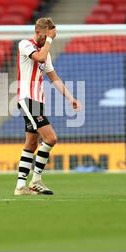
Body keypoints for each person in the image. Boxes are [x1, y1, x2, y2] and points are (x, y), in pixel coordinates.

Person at [14, 18, 82, 196]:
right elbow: (40, 57)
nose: (48, 40)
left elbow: (54, 78)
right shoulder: (25, 45)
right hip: (27, 99)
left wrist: (70, 98)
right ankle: (36, 180)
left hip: (38, 101)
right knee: (51, 139)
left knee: (31, 142)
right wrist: (49, 40)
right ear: (38, 32)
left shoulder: (46, 52)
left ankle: (21, 187)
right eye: (46, 36)